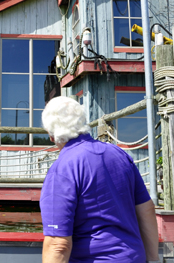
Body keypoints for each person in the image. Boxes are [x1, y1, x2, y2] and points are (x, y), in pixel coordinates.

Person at [40, 96, 159, 263]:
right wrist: (153, 259)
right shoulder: (120, 155)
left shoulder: (62, 170)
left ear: (51, 135)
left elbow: (58, 245)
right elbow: (146, 210)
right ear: (83, 123)